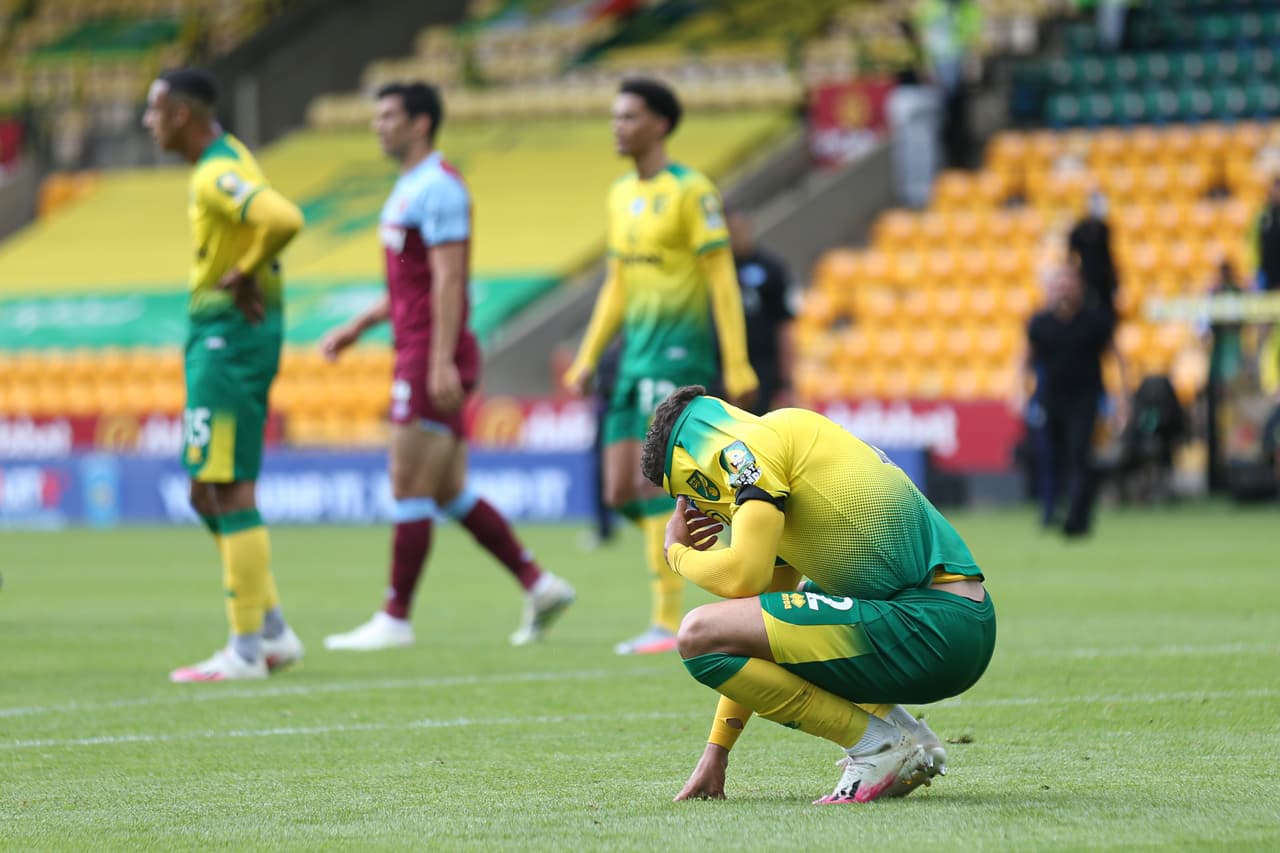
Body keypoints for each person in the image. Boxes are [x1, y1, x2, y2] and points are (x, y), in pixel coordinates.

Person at [636, 385, 995, 803]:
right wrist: (717, 752)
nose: (695, 508)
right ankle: (908, 737)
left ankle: (877, 747)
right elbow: (753, 625)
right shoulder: (782, 436)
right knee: (786, 606)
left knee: (695, 633)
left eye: (688, 494)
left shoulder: (745, 452)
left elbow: (743, 578)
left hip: (936, 626)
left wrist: (677, 553)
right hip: (956, 621)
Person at [320, 82, 575, 650]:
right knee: (446, 489)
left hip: (429, 352)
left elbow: (448, 279)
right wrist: (358, 326)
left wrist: (437, 362)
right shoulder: (411, 188)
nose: (377, 125)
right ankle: (539, 584)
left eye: (388, 116)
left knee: (407, 480)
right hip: (421, 345)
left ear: (420, 123)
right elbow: (409, 283)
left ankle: (395, 617)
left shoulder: (440, 188)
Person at [562, 78, 758, 655]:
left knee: (653, 485)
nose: (616, 126)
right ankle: (695, 554)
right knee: (619, 486)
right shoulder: (620, 193)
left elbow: (723, 279)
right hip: (632, 357)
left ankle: (667, 619)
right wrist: (588, 356)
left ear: (660, 124)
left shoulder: (692, 190)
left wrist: (738, 361)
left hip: (677, 353)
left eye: (628, 117)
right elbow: (617, 285)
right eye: (614, 116)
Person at [142, 68, 305, 682]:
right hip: (224, 336)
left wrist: (247, 271)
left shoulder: (216, 171)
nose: (148, 122)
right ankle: (271, 632)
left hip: (228, 339)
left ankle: (245, 652)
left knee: (229, 488)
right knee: (204, 489)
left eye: (154, 110)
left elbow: (284, 218)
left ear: (180, 114)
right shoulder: (227, 157)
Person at [1015, 264, 1127, 537]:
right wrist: (1019, 391)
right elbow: (1024, 359)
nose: (1064, 288)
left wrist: (1123, 400)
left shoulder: (1094, 321)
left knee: (1079, 455)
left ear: (1079, 287)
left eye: (1069, 282)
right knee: (1051, 457)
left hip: (1085, 400)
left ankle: (1077, 517)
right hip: (1050, 399)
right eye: (1059, 282)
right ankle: (1050, 512)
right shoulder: (1040, 322)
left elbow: (1119, 359)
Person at [726, 208, 794, 414]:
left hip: (763, 368)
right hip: (722, 369)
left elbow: (785, 325)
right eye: (730, 230)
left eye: (739, 229)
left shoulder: (771, 268)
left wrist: (787, 382)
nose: (736, 235)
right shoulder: (715, 270)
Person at [1068, 190, 1119, 316]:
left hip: (1104, 280)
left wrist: (1114, 281)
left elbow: (1109, 256)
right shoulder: (1079, 230)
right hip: (1085, 278)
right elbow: (1071, 255)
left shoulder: (1104, 229)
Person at [1253, 177, 1280, 293]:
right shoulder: (1263, 214)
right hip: (1266, 269)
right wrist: (1254, 266)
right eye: (1276, 189)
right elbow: (1253, 241)